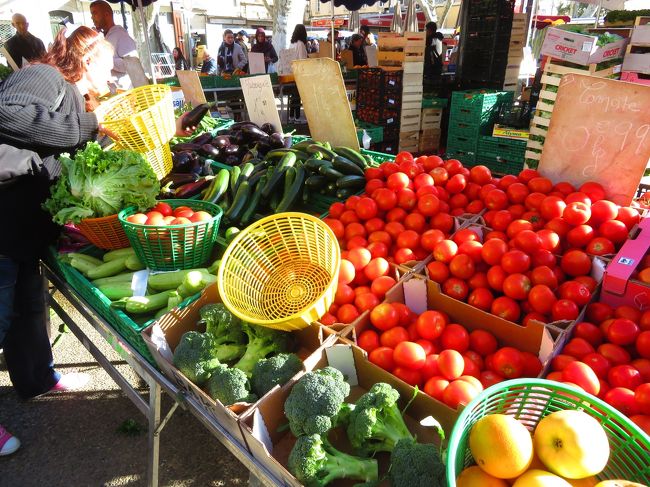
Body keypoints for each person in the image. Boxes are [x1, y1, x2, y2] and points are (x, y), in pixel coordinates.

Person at [0, 26, 195, 459]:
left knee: (27, 307)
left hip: (21, 232)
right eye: (111, 65)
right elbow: (6, 116)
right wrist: (91, 123)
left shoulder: (70, 95)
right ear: (86, 61)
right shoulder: (44, 77)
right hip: (2, 224)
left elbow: (59, 154)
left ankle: (37, 379)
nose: (116, 75)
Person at [89, 0, 138, 90]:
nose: (92, 17)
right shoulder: (105, 36)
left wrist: (104, 61)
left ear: (106, 15)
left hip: (126, 93)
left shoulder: (121, 35)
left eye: (94, 13)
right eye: (91, 14)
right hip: (113, 92)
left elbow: (131, 64)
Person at [288, 24, 308, 123]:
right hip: (299, 73)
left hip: (291, 72)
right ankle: (297, 117)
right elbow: (303, 60)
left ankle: (291, 116)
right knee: (297, 96)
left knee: (293, 96)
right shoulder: (300, 44)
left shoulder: (292, 43)